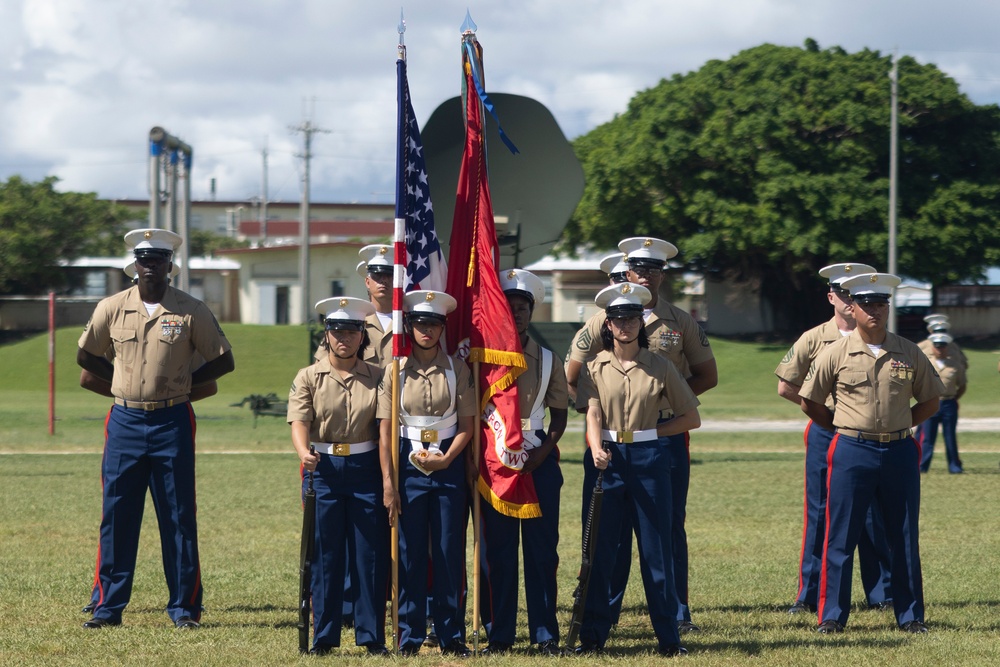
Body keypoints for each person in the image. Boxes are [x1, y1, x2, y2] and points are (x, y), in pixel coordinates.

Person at [76, 228, 234, 629]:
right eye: (145, 260)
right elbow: (85, 355)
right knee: (117, 514)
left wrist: (183, 388)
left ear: (170, 266)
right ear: (135, 265)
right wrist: (118, 383)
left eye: (159, 260)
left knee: (179, 515)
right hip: (125, 420)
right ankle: (108, 607)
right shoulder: (111, 307)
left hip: (172, 420)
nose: (151, 267)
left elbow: (222, 361)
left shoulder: (190, 310)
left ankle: (184, 609)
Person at [566, 237, 717, 634]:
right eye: (639, 268)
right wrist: (599, 417)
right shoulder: (603, 319)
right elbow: (573, 376)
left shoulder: (679, 320)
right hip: (613, 439)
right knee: (608, 530)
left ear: (662, 274)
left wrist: (662, 403)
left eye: (654, 269)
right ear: (626, 270)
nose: (646, 274)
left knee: (667, 524)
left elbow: (707, 375)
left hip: (664, 434)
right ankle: (607, 613)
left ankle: (676, 611)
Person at [800, 272, 943, 634]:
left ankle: (910, 616)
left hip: (898, 450)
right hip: (850, 449)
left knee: (903, 535)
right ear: (853, 307)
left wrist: (900, 424)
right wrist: (840, 427)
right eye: (866, 304)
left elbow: (930, 400)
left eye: (881, 304)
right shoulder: (834, 352)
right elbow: (809, 400)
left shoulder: (908, 351)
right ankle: (831, 615)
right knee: (840, 536)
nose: (874, 311)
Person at [774, 263, 893, 615]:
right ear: (831, 297)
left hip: (870, 436)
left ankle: (880, 593)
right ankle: (809, 595)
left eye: (853, 294)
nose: (847, 299)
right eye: (841, 293)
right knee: (821, 512)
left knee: (873, 513)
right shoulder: (814, 338)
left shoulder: (881, 339)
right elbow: (786, 386)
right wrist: (827, 414)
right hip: (827, 432)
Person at [288, 296, 389, 655]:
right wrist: (303, 452)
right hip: (325, 469)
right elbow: (299, 421)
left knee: (369, 556)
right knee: (325, 556)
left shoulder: (379, 377)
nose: (343, 338)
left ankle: (371, 636)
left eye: (351, 331)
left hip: (365, 470)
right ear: (326, 335)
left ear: (363, 335)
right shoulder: (309, 376)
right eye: (336, 331)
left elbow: (384, 428)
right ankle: (325, 636)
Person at [379, 290, 476, 657]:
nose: (427, 330)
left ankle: (451, 634)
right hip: (408, 464)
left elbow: (467, 425)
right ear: (410, 325)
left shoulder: (458, 368)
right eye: (420, 323)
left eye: (434, 324)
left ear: (442, 328)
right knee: (409, 552)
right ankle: (409, 634)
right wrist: (390, 484)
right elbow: (385, 432)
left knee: (450, 551)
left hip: (448, 465)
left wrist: (448, 459)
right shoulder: (395, 370)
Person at [479, 269, 568, 656]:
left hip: (539, 462)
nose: (515, 314)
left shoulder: (549, 359)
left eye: (522, 308)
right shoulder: (485, 359)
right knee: (498, 553)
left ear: (531, 312)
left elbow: (560, 415)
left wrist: (543, 452)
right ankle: (499, 634)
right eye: (509, 307)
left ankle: (545, 633)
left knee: (542, 552)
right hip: (495, 466)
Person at [916, 332, 967, 474]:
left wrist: (954, 398)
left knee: (950, 437)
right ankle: (921, 466)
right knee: (927, 438)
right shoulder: (926, 363)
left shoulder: (955, 365)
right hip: (930, 402)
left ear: (947, 347)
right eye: (937, 347)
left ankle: (954, 466)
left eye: (943, 347)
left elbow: (962, 385)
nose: (940, 350)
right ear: (932, 347)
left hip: (948, 403)